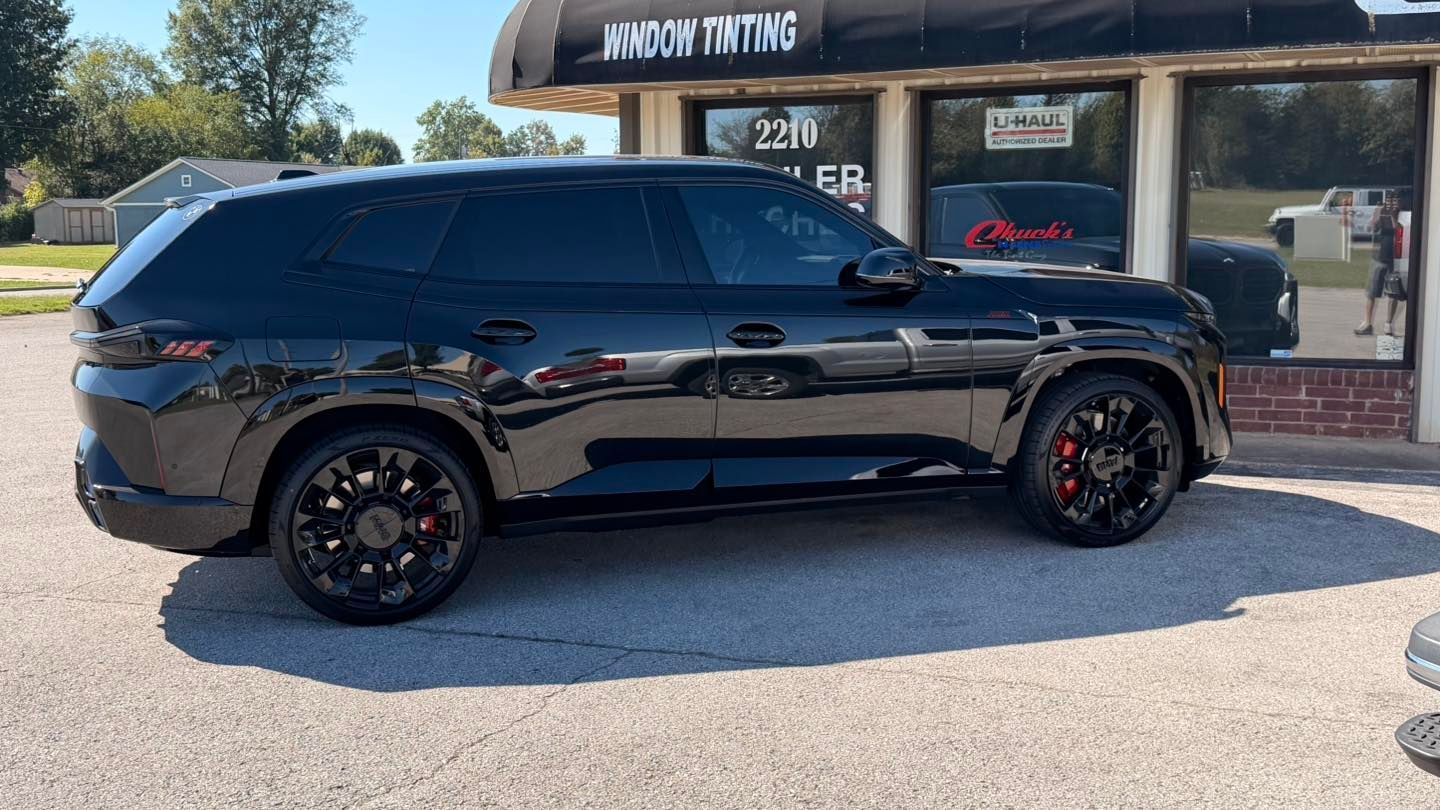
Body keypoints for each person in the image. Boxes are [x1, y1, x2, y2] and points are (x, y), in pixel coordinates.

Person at [1356, 193, 1402, 337]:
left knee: (1393, 293)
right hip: (1378, 256)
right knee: (1372, 292)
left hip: (1395, 259)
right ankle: (1368, 323)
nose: (1390, 203)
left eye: (1393, 200)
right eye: (1388, 199)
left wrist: (1394, 216)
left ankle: (1388, 324)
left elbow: (1399, 229)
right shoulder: (1380, 211)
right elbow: (1371, 229)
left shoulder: (1402, 214)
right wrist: (1377, 215)